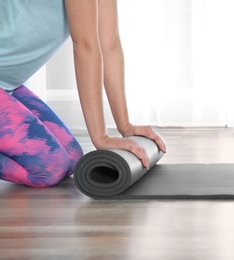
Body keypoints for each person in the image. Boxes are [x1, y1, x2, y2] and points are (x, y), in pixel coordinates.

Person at [0, 0, 167, 187]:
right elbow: (86, 46)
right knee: (49, 168)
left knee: (71, 157)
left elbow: (108, 44)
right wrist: (101, 138)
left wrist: (125, 125)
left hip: (7, 86)